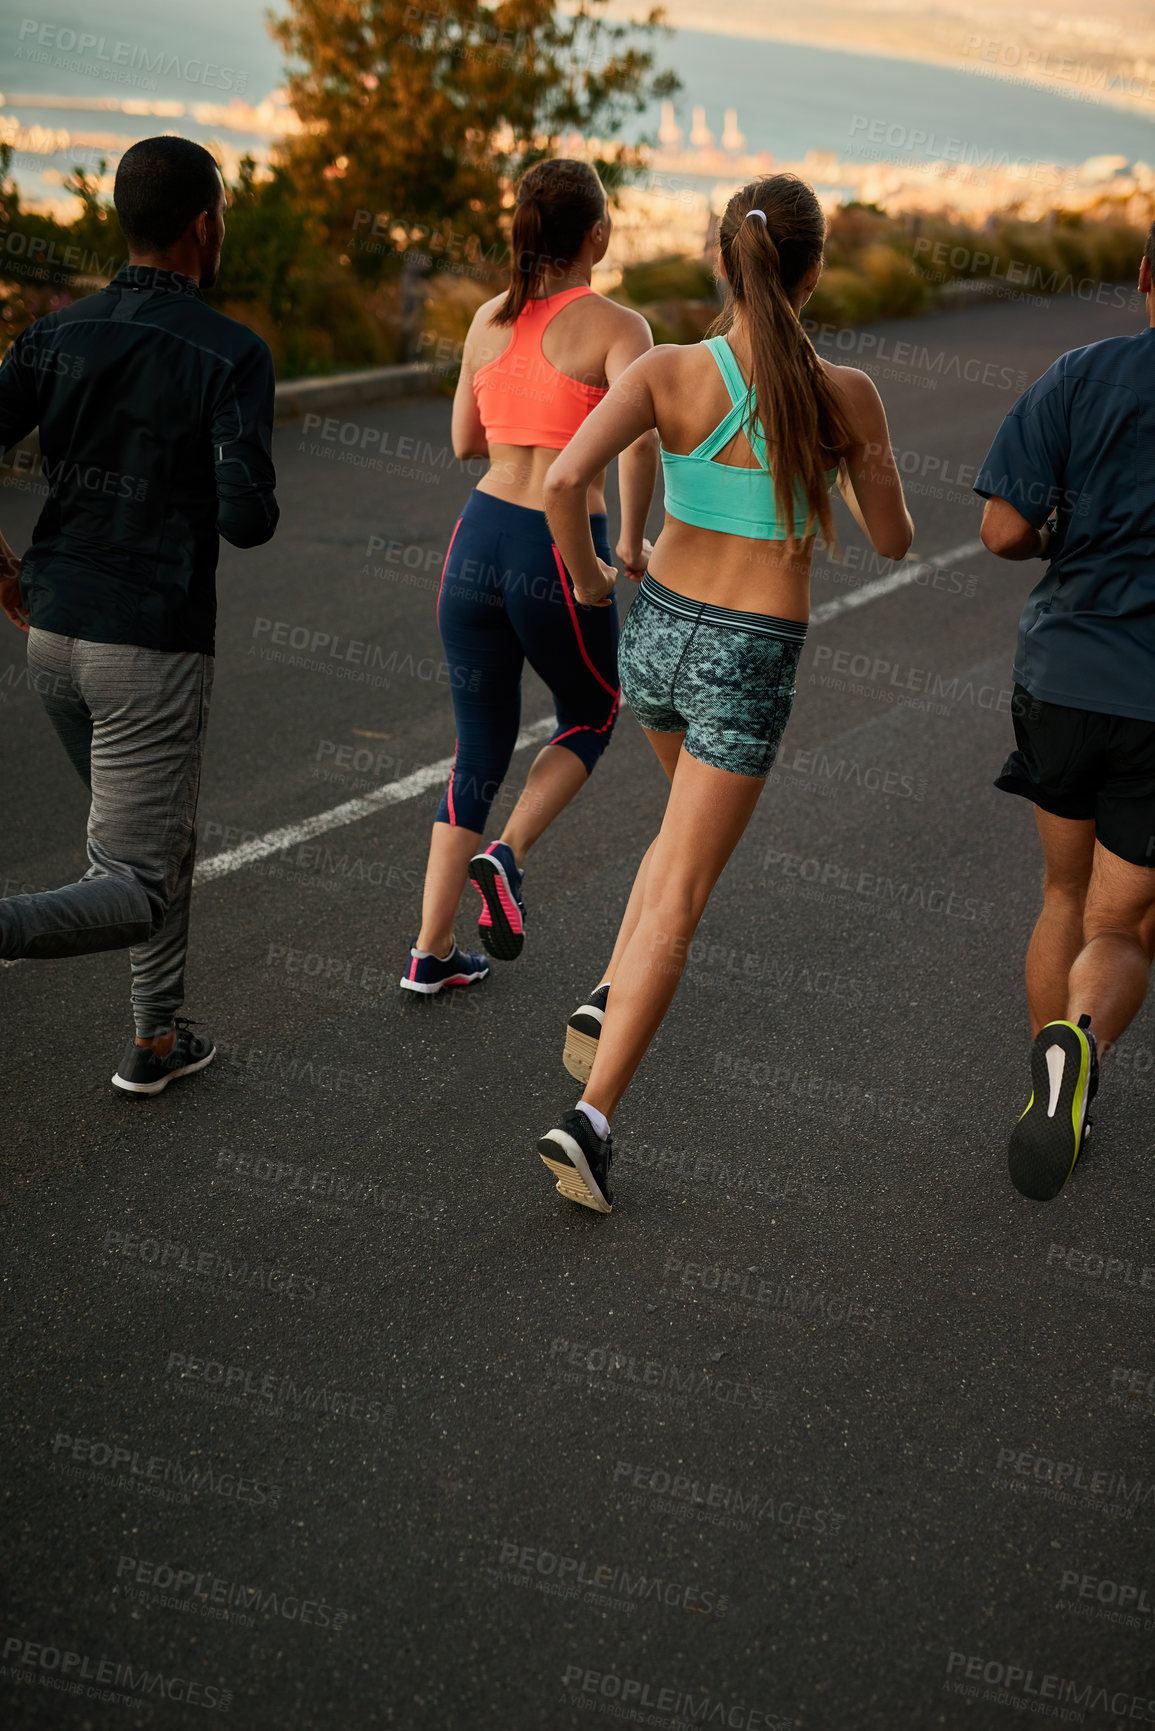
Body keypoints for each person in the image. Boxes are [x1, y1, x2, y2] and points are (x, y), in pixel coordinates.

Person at [536, 174, 913, 1212]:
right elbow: (893, 540)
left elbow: (564, 482)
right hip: (752, 653)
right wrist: (832, 465)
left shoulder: (664, 369)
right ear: (815, 268)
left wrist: (593, 578)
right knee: (687, 887)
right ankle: (593, 1118)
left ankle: (612, 988)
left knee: (678, 839)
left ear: (721, 256)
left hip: (655, 640)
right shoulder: (848, 395)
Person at [0, 135, 278, 1094]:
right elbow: (247, 521)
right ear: (205, 228)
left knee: (155, 839)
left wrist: (5, 573)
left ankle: (156, 1040)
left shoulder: (53, 334)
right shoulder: (232, 354)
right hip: (146, 648)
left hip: (51, 639)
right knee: (138, 884)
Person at [400, 158, 656, 995]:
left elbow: (464, 443)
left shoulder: (486, 317)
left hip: (475, 539)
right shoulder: (619, 328)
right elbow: (642, 440)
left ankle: (429, 951)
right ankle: (504, 856)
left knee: (475, 744)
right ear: (595, 235)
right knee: (592, 708)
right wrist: (629, 542)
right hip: (552, 541)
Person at [975, 223, 1155, 1201]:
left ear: (1142, 278)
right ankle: (1078, 1047)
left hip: (1060, 677)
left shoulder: (1080, 375)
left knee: (1060, 895)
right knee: (1122, 929)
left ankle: (1047, 1087)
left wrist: (1058, 531)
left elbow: (1002, 525)